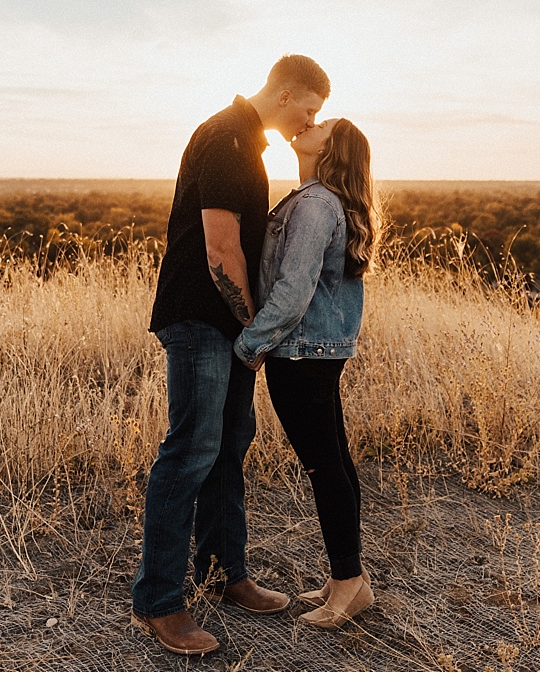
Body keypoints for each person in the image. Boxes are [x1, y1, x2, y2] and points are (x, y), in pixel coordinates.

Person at [131, 55, 331, 656]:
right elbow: (221, 252)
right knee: (190, 450)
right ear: (288, 91)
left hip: (228, 328)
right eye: (310, 108)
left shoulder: (251, 144)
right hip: (199, 319)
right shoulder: (224, 137)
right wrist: (254, 331)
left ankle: (223, 576)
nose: (310, 120)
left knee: (227, 446)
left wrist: (249, 334)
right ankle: (160, 603)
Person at [233, 117, 380, 629]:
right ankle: (350, 579)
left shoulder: (315, 205)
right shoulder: (316, 200)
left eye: (322, 124)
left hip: (299, 355)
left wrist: (250, 344)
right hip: (316, 351)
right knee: (334, 460)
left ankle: (345, 590)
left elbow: (293, 292)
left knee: (325, 467)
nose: (308, 124)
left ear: (331, 148)